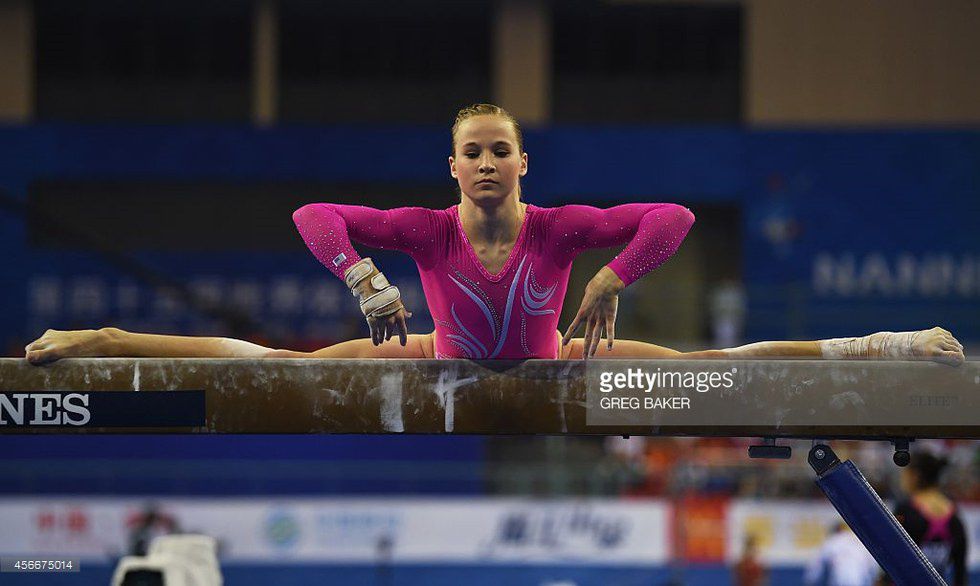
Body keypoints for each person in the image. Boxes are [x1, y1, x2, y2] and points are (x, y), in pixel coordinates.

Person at [23, 104, 965, 365]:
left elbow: (673, 218)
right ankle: (98, 340)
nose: (484, 163)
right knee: (276, 365)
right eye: (470, 151)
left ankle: (889, 342)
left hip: (556, 364)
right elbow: (314, 216)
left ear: (522, 163)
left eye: (498, 151)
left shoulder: (560, 229)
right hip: (437, 363)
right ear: (452, 167)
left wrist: (613, 276)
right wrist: (363, 277)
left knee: (715, 365)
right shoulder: (426, 232)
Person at [880, 452, 968, 585]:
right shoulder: (953, 514)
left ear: (915, 476)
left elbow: (891, 556)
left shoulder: (905, 510)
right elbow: (960, 570)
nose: (902, 478)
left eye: (905, 473)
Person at [804, 522, 879, 586]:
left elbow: (816, 567)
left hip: (840, 581)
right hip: (859, 581)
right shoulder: (860, 542)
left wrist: (810, 581)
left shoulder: (833, 541)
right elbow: (874, 566)